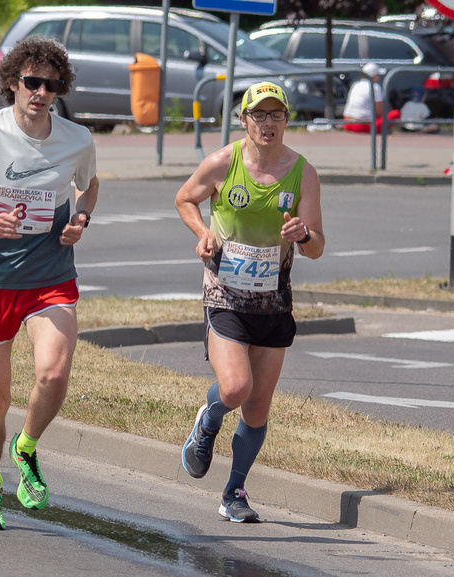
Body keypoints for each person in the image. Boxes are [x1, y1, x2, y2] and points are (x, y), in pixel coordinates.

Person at [0, 36, 98, 531]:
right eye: (31, 81)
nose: (40, 92)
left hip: (50, 277)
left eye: (50, 84)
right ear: (12, 83)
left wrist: (81, 220)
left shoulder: (77, 139)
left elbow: (88, 186)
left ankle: (26, 446)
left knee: (53, 375)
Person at [174, 81, 324, 522]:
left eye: (276, 115)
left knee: (257, 408)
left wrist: (304, 234)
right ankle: (208, 418)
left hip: (274, 299)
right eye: (259, 115)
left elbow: (316, 245)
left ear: (286, 121)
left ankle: (234, 491)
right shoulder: (223, 163)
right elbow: (184, 199)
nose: (268, 123)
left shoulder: (303, 173)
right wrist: (203, 234)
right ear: (244, 120)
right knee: (236, 388)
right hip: (225, 292)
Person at [342, 62, 400, 134]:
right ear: (374, 76)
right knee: (395, 114)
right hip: (362, 125)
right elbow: (379, 112)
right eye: (378, 75)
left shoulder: (355, 84)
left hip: (347, 123)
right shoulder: (375, 87)